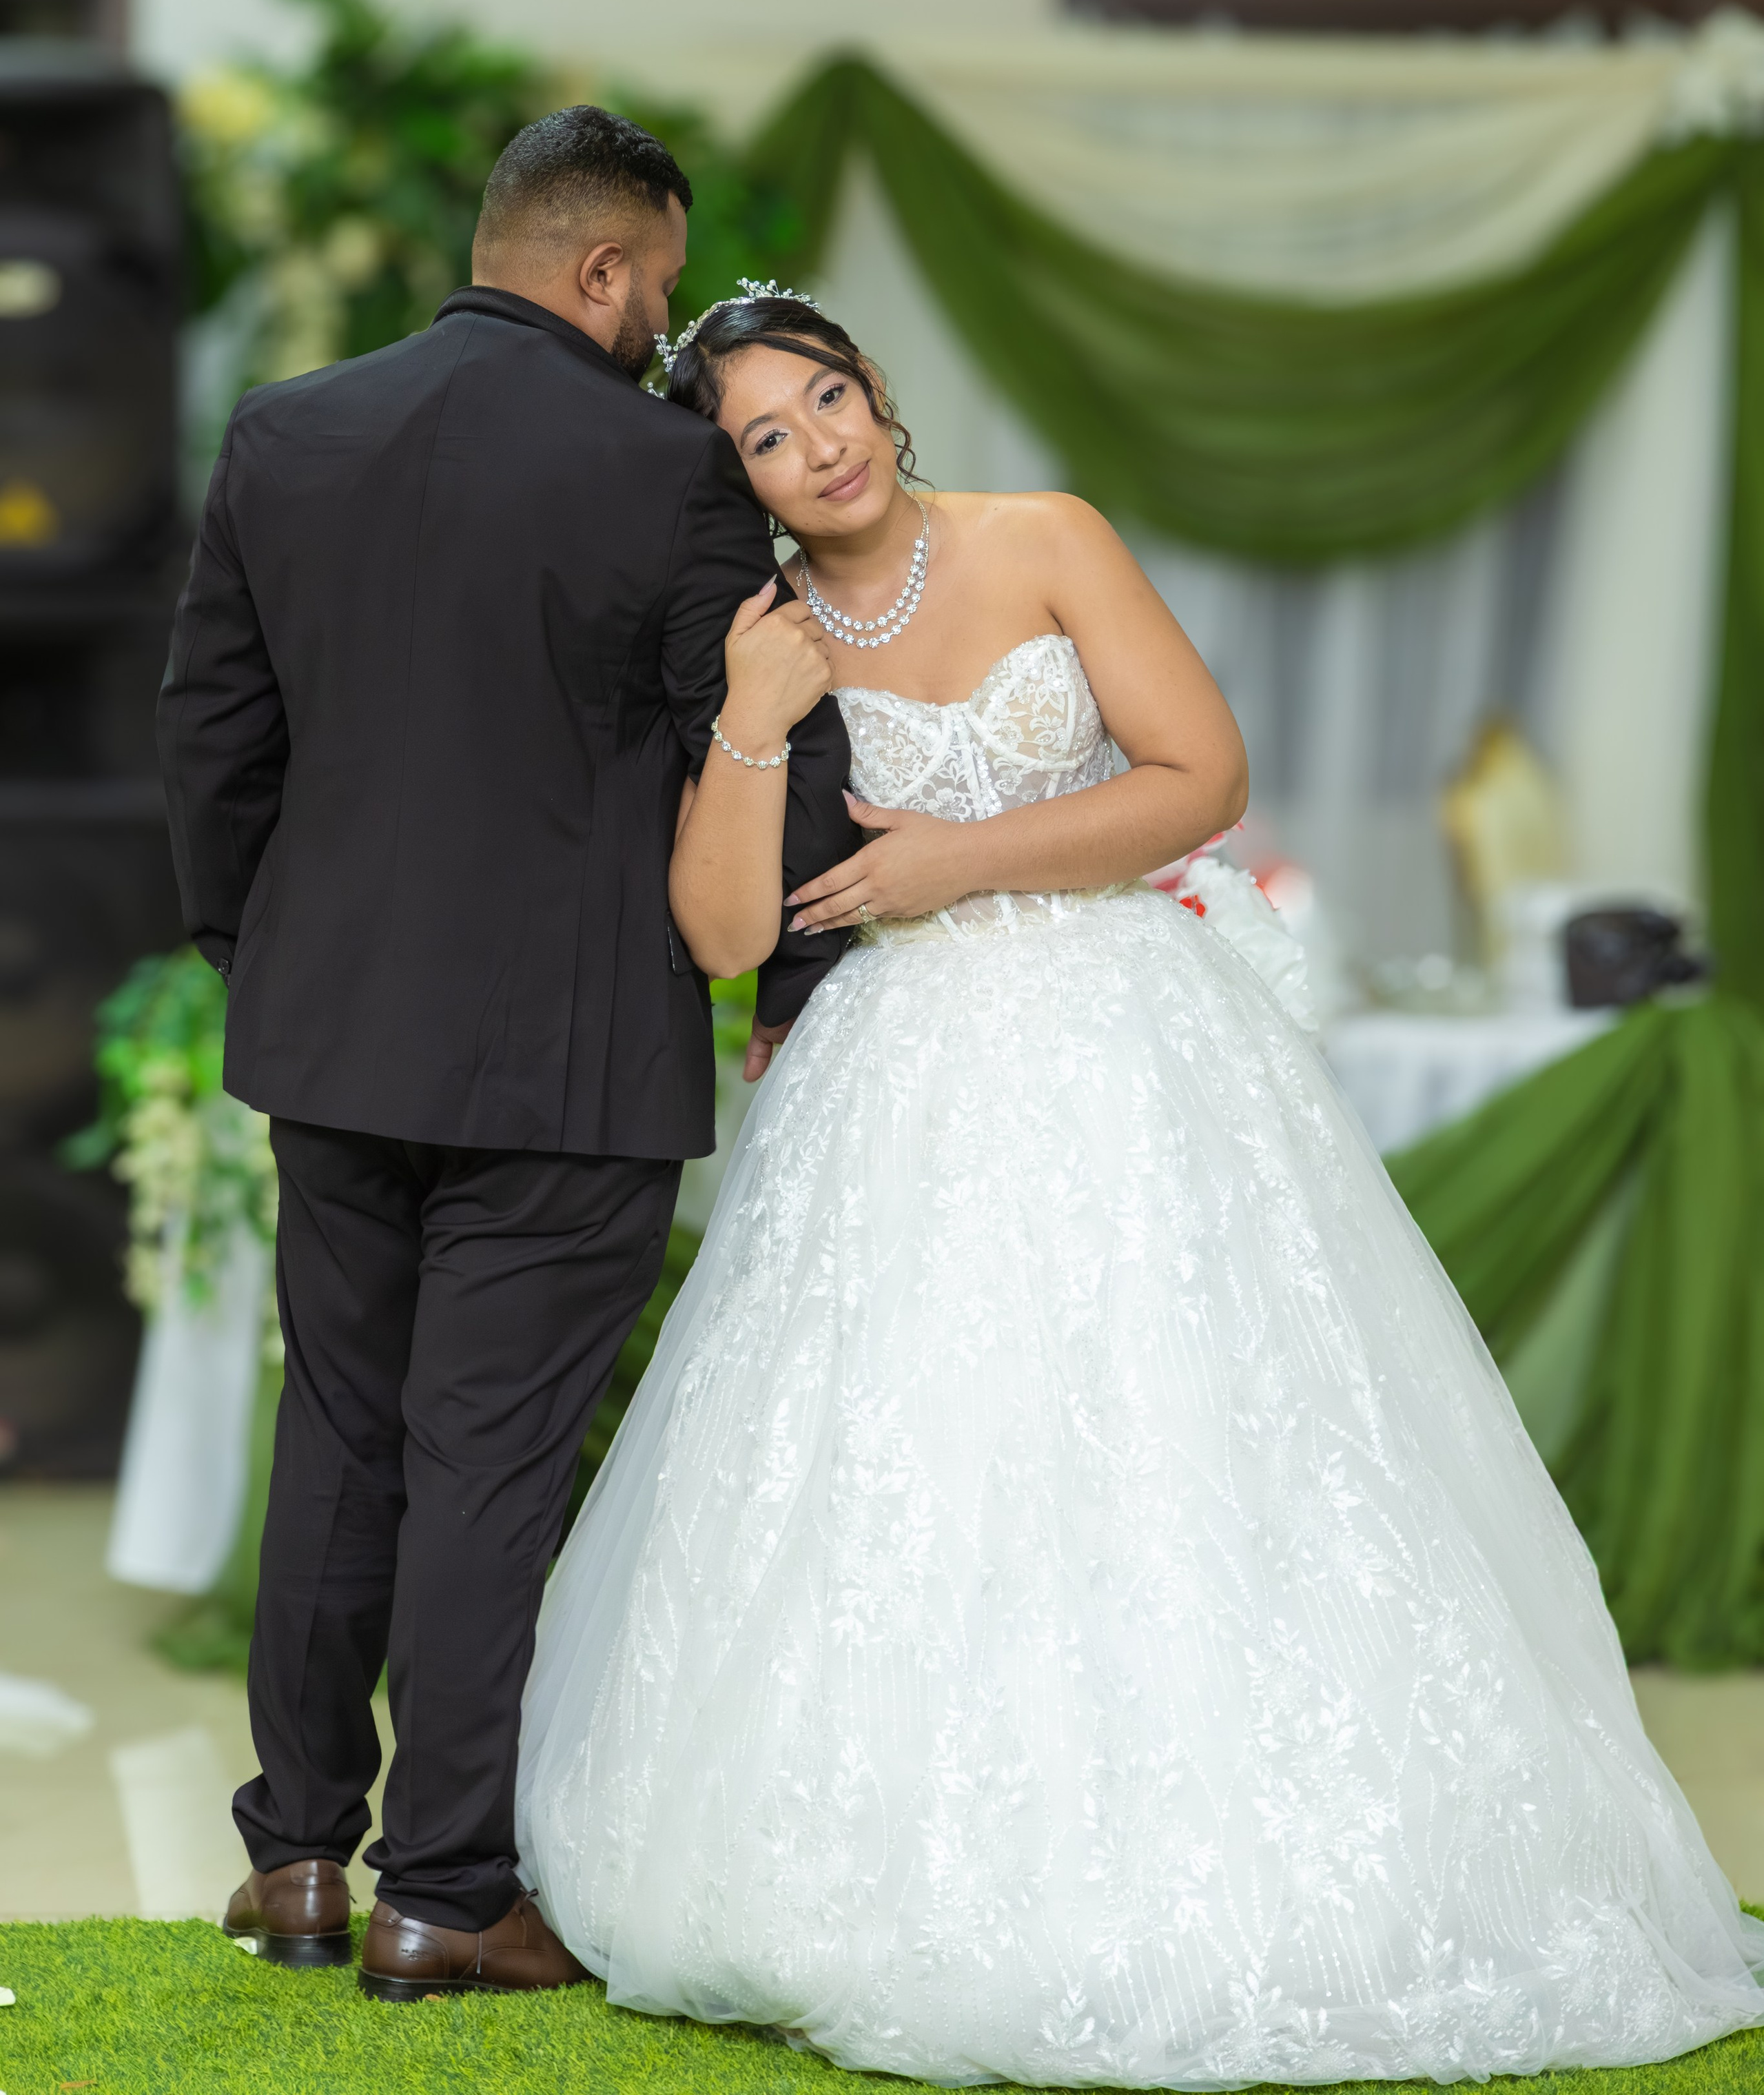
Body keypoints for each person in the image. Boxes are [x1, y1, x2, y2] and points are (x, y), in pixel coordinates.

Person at [516, 287, 1764, 2084]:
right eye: (768, 437)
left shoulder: (1044, 542)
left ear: (879, 392)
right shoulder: (758, 633)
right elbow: (720, 929)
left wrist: (955, 860)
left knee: (1196, 1415)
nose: (822, 445)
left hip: (1123, 1031)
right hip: (903, 1083)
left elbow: (1200, 776)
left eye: (832, 396)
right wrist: (751, 717)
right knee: (917, 1452)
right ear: (737, 485)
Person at [157, 119, 854, 1998]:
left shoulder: (288, 433)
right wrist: (798, 971)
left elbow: (213, 741)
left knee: (343, 1431)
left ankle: (297, 1857)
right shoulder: (666, 472)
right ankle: (447, 1888)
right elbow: (761, 746)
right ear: (610, 274)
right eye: (650, 292)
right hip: (568, 1048)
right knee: (489, 1466)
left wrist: (270, 958)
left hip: (336, 1028)